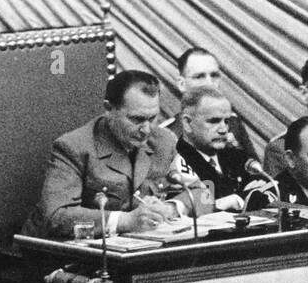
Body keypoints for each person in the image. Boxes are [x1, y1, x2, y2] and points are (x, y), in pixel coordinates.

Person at [22, 70, 181, 239]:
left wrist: (170, 208)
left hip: (135, 252)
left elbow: (205, 192)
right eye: (137, 119)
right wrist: (126, 221)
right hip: (64, 255)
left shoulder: (164, 141)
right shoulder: (73, 147)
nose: (146, 130)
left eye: (153, 118)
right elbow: (55, 216)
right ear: (108, 109)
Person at [172, 86, 262, 209]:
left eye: (226, 121)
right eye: (214, 121)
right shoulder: (176, 159)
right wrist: (242, 197)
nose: (223, 129)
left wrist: (234, 200)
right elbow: (197, 208)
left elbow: (266, 188)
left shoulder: (236, 156)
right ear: (187, 123)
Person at [164, 46, 258, 160]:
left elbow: (254, 172)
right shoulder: (167, 135)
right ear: (181, 84)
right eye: (199, 76)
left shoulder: (233, 124)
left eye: (214, 75)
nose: (209, 83)